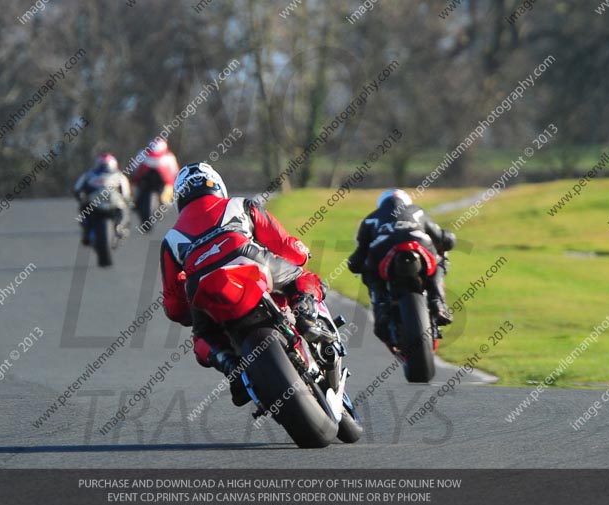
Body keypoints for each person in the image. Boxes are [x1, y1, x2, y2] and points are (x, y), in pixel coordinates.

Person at [160, 162, 324, 406]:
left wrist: (191, 313)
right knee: (300, 277)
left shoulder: (171, 239)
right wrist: (302, 254)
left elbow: (174, 306)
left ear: (179, 198)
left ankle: (229, 365)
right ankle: (306, 314)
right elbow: (285, 247)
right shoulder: (239, 204)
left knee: (202, 336)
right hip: (246, 256)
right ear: (217, 186)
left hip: (200, 282)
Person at [348, 189, 456, 353]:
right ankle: (438, 303)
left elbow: (358, 256)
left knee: (369, 272)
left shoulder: (371, 218)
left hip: (383, 250)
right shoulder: (417, 211)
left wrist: (355, 265)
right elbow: (443, 239)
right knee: (439, 264)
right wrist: (448, 239)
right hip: (419, 246)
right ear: (406, 202)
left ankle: (382, 306)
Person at [73, 153, 132, 244]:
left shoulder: (119, 176)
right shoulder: (89, 174)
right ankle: (87, 231)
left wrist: (125, 200)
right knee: (83, 209)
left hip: (113, 204)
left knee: (124, 209)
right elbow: (77, 189)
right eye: (102, 165)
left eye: (106, 165)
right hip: (94, 204)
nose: (104, 168)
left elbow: (126, 193)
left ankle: (120, 226)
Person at [131, 138, 179, 215]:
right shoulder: (142, 154)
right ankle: (135, 202)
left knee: (167, 195)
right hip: (144, 183)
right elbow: (134, 170)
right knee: (134, 190)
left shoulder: (169, 157)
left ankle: (164, 205)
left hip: (163, 184)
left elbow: (175, 172)